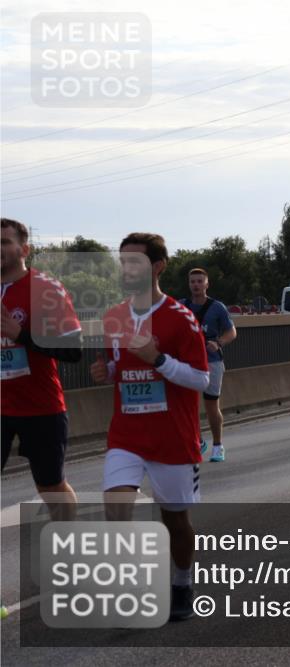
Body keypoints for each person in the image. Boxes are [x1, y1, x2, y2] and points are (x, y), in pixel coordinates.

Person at [90, 232, 210, 622]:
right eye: (122, 261)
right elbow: (116, 365)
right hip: (126, 433)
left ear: (157, 267)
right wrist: (105, 371)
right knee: (116, 506)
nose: (126, 269)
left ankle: (181, 580)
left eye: (135, 262)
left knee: (175, 518)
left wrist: (158, 359)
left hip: (172, 435)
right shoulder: (113, 317)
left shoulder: (181, 318)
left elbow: (201, 379)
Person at [1, 218, 82, 523]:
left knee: (50, 485)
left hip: (41, 408)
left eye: (4, 242)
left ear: (24, 249)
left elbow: (72, 350)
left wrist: (20, 334)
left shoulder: (46, 288)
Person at [181, 268, 236, 463]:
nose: (196, 285)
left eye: (199, 281)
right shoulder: (181, 306)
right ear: (189, 284)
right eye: (192, 281)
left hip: (211, 361)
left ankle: (217, 445)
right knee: (185, 406)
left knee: (211, 404)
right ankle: (197, 440)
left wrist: (218, 342)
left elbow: (232, 332)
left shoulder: (217, 307)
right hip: (187, 363)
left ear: (206, 284)